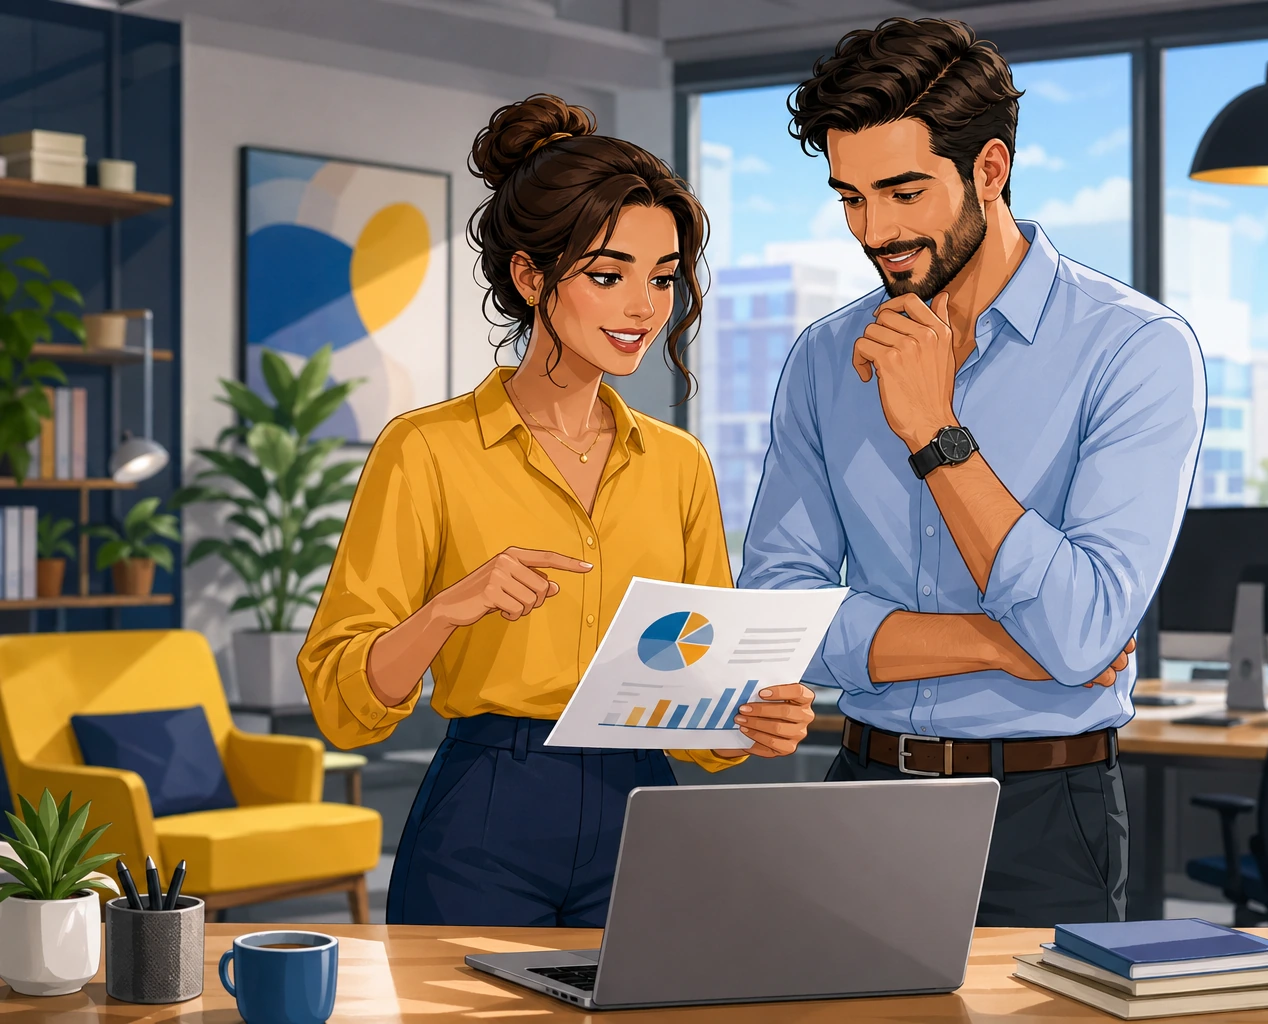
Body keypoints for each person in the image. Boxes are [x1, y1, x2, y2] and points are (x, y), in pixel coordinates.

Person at [298, 94, 816, 928]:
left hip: (643, 812)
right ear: (530, 276)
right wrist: (448, 609)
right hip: (486, 809)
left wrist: (753, 721)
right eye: (609, 276)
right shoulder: (425, 449)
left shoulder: (679, 465)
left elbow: (701, 710)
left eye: (661, 277)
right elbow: (340, 700)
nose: (644, 308)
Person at [738, 18, 1205, 926]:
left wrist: (936, 433)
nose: (875, 230)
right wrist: (1001, 645)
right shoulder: (824, 358)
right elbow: (780, 610)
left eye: (903, 191)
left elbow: (1082, 632)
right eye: (850, 197)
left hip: (1042, 816)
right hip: (856, 794)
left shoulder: (1137, 350)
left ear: (988, 171)